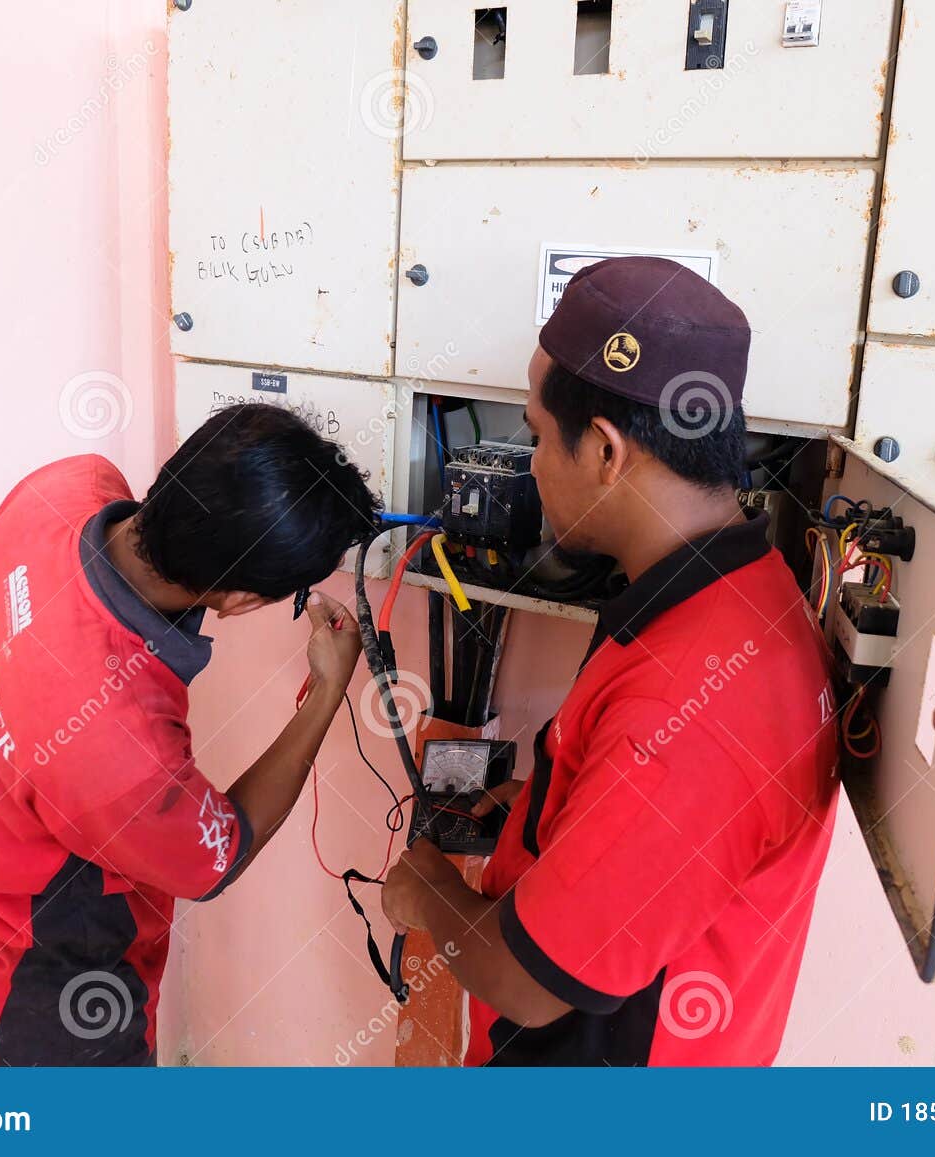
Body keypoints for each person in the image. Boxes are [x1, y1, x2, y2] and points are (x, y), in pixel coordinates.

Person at [381, 257, 841, 1065]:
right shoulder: (741, 591)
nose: (529, 463)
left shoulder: (687, 706)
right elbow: (652, 839)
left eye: (532, 435)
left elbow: (528, 981)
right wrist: (537, 810)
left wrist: (430, 893)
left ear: (603, 450)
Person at [0, 402, 379, 1065]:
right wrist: (326, 691)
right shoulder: (114, 746)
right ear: (241, 601)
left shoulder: (59, 489)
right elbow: (220, 849)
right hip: (45, 1014)